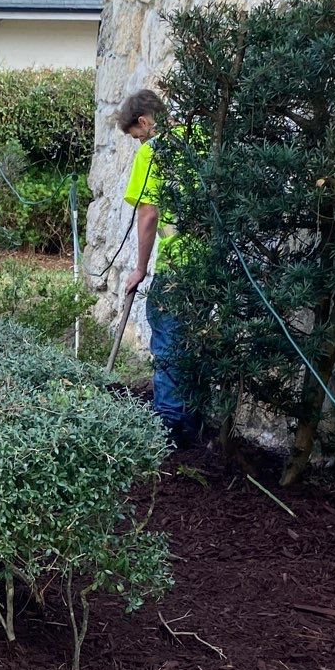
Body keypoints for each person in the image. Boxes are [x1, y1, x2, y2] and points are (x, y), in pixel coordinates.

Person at [117, 86, 198, 444]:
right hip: (209, 260)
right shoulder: (197, 137)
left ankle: (169, 426)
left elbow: (149, 214)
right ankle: (194, 422)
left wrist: (140, 267)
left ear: (145, 122)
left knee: (167, 339)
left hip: (178, 262)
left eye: (136, 136)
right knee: (194, 340)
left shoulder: (154, 151)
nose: (138, 144)